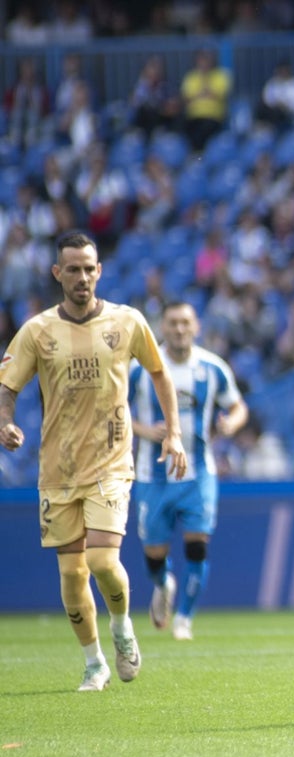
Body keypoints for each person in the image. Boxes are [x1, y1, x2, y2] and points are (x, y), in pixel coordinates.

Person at [0, 231, 188, 691]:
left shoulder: (126, 322)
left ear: (99, 271)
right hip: (57, 470)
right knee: (71, 571)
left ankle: (122, 627)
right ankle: (93, 662)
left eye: (89, 268)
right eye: (73, 269)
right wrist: (4, 420)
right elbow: (7, 386)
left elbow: (161, 373)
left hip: (111, 462)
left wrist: (174, 434)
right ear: (57, 273)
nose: (82, 277)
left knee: (103, 560)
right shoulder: (38, 331)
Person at [129, 301, 247, 641]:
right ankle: (163, 583)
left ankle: (184, 618)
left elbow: (238, 406)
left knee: (197, 545)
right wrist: (141, 429)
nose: (179, 329)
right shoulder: (140, 368)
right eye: (173, 323)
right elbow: (115, 407)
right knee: (154, 552)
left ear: (196, 327)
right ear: (162, 329)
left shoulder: (212, 368)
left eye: (185, 323)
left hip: (198, 473)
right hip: (153, 474)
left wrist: (231, 424)